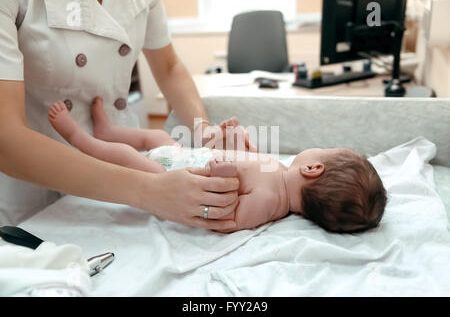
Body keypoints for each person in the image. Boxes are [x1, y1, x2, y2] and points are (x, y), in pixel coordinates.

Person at [0, 0, 254, 227]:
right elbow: (7, 138)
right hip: (40, 172)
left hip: (124, 152)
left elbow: (169, 67)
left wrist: (203, 130)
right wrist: (149, 191)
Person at [48, 99, 387, 233]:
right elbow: (247, 163)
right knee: (155, 136)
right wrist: (234, 141)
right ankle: (108, 130)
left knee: (124, 158)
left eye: (324, 150)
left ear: (313, 169)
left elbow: (226, 217)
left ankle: (78, 137)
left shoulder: (271, 203)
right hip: (185, 156)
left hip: (172, 177)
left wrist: (221, 173)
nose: (317, 148)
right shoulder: (278, 172)